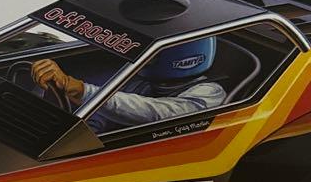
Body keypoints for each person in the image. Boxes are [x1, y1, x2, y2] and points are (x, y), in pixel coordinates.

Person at [31, 37, 227, 128]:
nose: (143, 58)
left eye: (152, 54)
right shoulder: (141, 84)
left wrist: (81, 90)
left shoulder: (209, 93)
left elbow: (156, 113)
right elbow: (100, 117)